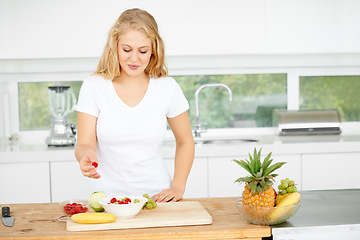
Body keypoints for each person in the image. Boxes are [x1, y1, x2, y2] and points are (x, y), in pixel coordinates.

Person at [74, 8, 194, 203]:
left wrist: (178, 187)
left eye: (143, 51)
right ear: (115, 46)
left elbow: (185, 141)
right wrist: (86, 156)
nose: (134, 58)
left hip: (156, 197)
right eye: (127, 49)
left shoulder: (167, 88)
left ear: (154, 49)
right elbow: (84, 143)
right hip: (107, 199)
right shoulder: (94, 86)